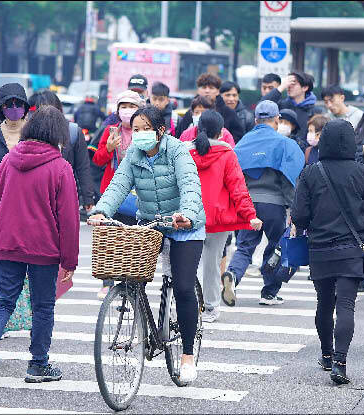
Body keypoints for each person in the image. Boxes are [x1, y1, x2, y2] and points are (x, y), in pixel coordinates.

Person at [88, 106, 206, 384]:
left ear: (160, 130)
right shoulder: (133, 154)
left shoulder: (177, 151)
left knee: (184, 286)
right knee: (132, 276)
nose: (139, 135)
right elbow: (118, 184)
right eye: (135, 129)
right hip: (151, 223)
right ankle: (142, 325)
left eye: (145, 129)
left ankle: (187, 355)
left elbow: (190, 185)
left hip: (182, 224)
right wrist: (101, 210)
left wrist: (186, 214)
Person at [0, 105, 79, 388]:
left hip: (7, 243)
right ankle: (38, 364)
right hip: (44, 248)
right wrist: (70, 260)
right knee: (42, 306)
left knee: (3, 300)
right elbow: (69, 219)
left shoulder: (8, 160)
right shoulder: (60, 167)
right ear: (58, 134)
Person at [292, 119, 364, 385]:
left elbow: (299, 215)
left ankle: (325, 354)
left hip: (320, 248)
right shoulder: (363, 172)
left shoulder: (311, 172)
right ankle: (340, 363)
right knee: (346, 304)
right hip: (352, 249)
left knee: (324, 303)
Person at [220, 100, 305, 307]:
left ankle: (233, 274)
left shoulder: (243, 143)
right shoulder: (284, 143)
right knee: (277, 246)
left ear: (256, 119)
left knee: (245, 246)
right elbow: (289, 179)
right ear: (277, 119)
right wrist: (292, 207)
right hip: (274, 204)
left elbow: (233, 176)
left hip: (248, 205)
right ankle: (269, 292)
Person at [185, 109, 262, 322]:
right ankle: (211, 308)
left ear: (197, 129)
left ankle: (187, 305)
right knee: (212, 264)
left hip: (189, 217)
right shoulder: (227, 154)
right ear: (221, 133)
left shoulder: (184, 153)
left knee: (186, 264)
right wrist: (250, 215)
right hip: (218, 221)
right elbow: (238, 188)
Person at [0, 83, 33, 334]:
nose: (13, 109)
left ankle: (20, 316)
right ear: (1, 108)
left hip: (27, 208)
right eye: (8, 104)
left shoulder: (33, 132)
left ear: (25, 107)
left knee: (26, 263)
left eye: (18, 104)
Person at [92, 90, 145, 298]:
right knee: (109, 237)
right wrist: (108, 149)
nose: (127, 111)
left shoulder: (144, 132)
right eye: (123, 106)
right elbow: (97, 160)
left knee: (131, 237)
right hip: (111, 192)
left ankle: (128, 281)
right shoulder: (110, 131)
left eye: (131, 106)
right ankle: (107, 282)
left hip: (136, 194)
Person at [28, 90, 95, 212]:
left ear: (59, 110)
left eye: (50, 109)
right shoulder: (31, 132)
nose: (47, 115)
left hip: (66, 195)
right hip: (37, 196)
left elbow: (82, 167)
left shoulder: (73, 132)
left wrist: (88, 197)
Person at [175, 73, 244, 142]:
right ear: (198, 90)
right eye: (204, 87)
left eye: (211, 88)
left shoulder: (228, 112)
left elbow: (238, 137)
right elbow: (179, 135)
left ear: (217, 91)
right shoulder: (190, 112)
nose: (207, 91)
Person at [261, 70, 318, 148]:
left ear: (305, 87)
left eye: (293, 83)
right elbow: (262, 107)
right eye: (288, 83)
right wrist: (280, 88)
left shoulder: (314, 111)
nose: (288, 86)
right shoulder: (281, 105)